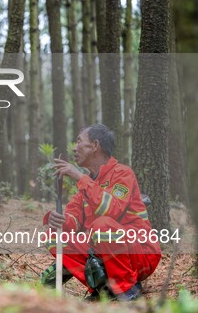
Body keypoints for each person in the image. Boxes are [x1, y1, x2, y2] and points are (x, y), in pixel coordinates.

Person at [41, 124, 161, 301]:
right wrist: (57, 220)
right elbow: (72, 222)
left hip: (140, 256)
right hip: (104, 255)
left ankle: (127, 289)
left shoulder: (122, 173)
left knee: (102, 225)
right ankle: (102, 288)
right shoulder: (85, 185)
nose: (74, 147)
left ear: (95, 145)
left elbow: (111, 210)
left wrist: (80, 177)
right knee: (53, 236)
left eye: (79, 141)